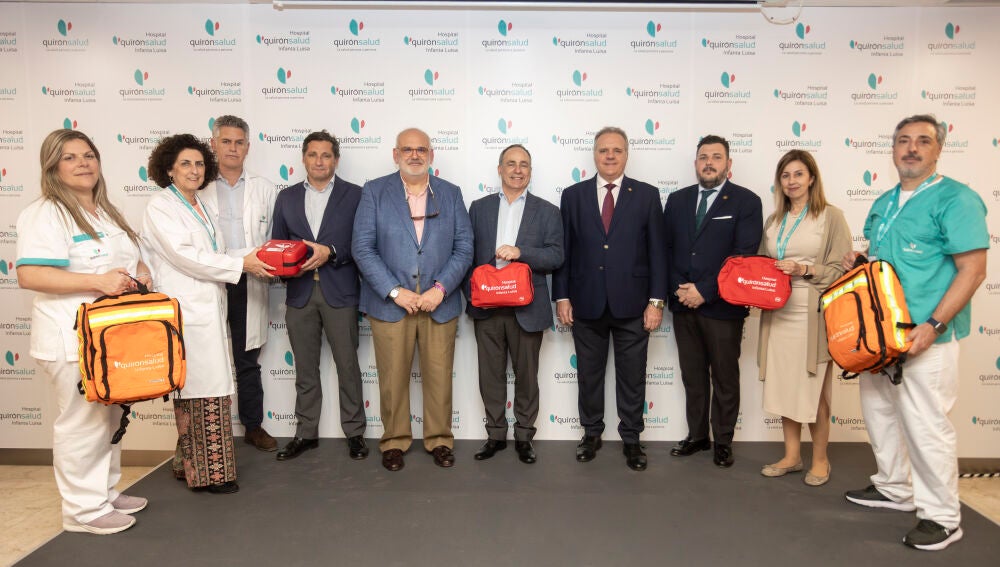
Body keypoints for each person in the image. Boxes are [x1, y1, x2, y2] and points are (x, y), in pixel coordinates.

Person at [843, 114, 987, 551]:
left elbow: (973, 269)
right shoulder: (886, 200)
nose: (911, 148)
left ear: (939, 148)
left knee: (926, 427)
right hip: (880, 334)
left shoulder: (957, 199)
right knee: (880, 414)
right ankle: (895, 487)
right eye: (903, 140)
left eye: (923, 141)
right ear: (892, 149)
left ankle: (942, 517)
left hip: (926, 335)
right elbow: (883, 256)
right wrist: (861, 261)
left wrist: (934, 325)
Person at [16, 129, 152, 534]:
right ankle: (82, 511)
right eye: (70, 157)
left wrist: (141, 272)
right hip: (70, 338)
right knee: (82, 422)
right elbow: (29, 275)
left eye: (88, 155)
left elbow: (130, 260)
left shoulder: (105, 210)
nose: (83, 163)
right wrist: (98, 282)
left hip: (109, 337)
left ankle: (104, 492)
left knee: (108, 419)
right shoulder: (46, 213)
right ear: (52, 167)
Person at [142, 134, 274, 494]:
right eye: (185, 163)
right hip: (186, 311)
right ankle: (210, 475)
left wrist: (255, 256)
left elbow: (219, 252)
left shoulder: (197, 204)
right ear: (169, 168)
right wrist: (242, 264)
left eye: (199, 163)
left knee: (206, 390)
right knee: (201, 391)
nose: (194, 170)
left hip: (206, 308)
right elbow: (186, 256)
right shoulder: (161, 206)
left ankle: (186, 465)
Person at [352, 127, 473, 472]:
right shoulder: (374, 191)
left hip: (439, 304)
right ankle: (394, 442)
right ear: (396, 155)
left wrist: (440, 289)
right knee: (392, 379)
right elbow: (362, 248)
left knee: (439, 378)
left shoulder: (450, 193)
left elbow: (464, 247)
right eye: (407, 149)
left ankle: (439, 440)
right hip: (390, 305)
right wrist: (394, 290)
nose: (415, 155)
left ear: (431, 155)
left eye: (421, 149)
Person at [552, 126, 667, 472]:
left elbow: (658, 253)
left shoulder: (647, 195)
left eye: (617, 150)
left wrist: (656, 302)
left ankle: (631, 438)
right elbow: (565, 251)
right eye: (604, 150)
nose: (610, 156)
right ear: (594, 154)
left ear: (626, 154)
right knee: (589, 375)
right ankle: (591, 433)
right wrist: (562, 296)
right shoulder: (573, 196)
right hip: (586, 303)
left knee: (632, 376)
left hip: (634, 305)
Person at [663, 135, 762, 468]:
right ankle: (697, 436)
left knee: (724, 376)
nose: (709, 163)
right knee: (692, 376)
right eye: (703, 157)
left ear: (728, 164)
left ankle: (723, 440)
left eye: (716, 157)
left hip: (723, 307)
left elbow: (742, 256)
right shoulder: (677, 200)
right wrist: (679, 289)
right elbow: (666, 250)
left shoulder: (746, 202)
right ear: (695, 163)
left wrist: (704, 291)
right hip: (683, 304)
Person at [756, 150, 851, 486]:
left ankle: (821, 460)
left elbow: (842, 269)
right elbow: (763, 263)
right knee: (785, 388)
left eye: (798, 174)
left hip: (813, 316)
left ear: (812, 178)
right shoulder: (774, 220)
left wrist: (804, 269)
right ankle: (792, 456)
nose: (791, 181)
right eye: (785, 176)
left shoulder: (830, 216)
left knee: (815, 392)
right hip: (777, 314)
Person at [271, 130, 367, 461]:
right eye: (313, 155)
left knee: (348, 366)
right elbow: (278, 245)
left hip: (341, 292)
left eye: (326, 155)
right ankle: (306, 433)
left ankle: (355, 432)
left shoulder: (355, 195)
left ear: (336, 160)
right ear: (303, 158)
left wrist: (332, 252)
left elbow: (364, 244)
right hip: (299, 294)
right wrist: (288, 265)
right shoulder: (286, 197)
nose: (319, 161)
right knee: (305, 369)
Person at [465, 145, 563, 464]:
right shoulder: (478, 208)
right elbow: (465, 254)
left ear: (530, 172)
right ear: (500, 169)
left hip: (528, 308)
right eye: (511, 164)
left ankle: (524, 437)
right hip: (487, 307)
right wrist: (471, 293)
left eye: (524, 165)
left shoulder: (547, 211)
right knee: (490, 376)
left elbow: (556, 256)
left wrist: (522, 253)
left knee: (527, 376)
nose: (517, 170)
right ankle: (495, 435)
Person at [202, 115, 279, 452]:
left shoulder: (265, 188)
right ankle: (206, 433)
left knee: (247, 360)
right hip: (209, 282)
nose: (232, 148)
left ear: (248, 147)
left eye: (239, 142)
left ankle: (253, 425)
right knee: (206, 358)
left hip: (250, 281)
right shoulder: (198, 186)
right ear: (213, 144)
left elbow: (274, 237)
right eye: (226, 141)